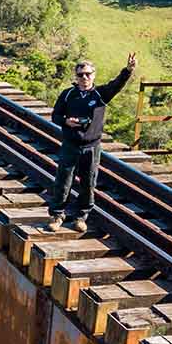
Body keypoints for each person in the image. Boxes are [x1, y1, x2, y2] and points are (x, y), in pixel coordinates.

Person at [44, 54, 137, 233]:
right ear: (76, 77)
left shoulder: (100, 94)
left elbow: (116, 85)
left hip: (91, 147)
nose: (84, 78)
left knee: (88, 182)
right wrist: (66, 122)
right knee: (63, 181)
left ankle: (81, 217)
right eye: (80, 75)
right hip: (71, 144)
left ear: (93, 75)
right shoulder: (68, 94)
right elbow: (55, 115)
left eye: (87, 74)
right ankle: (57, 216)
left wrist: (128, 71)